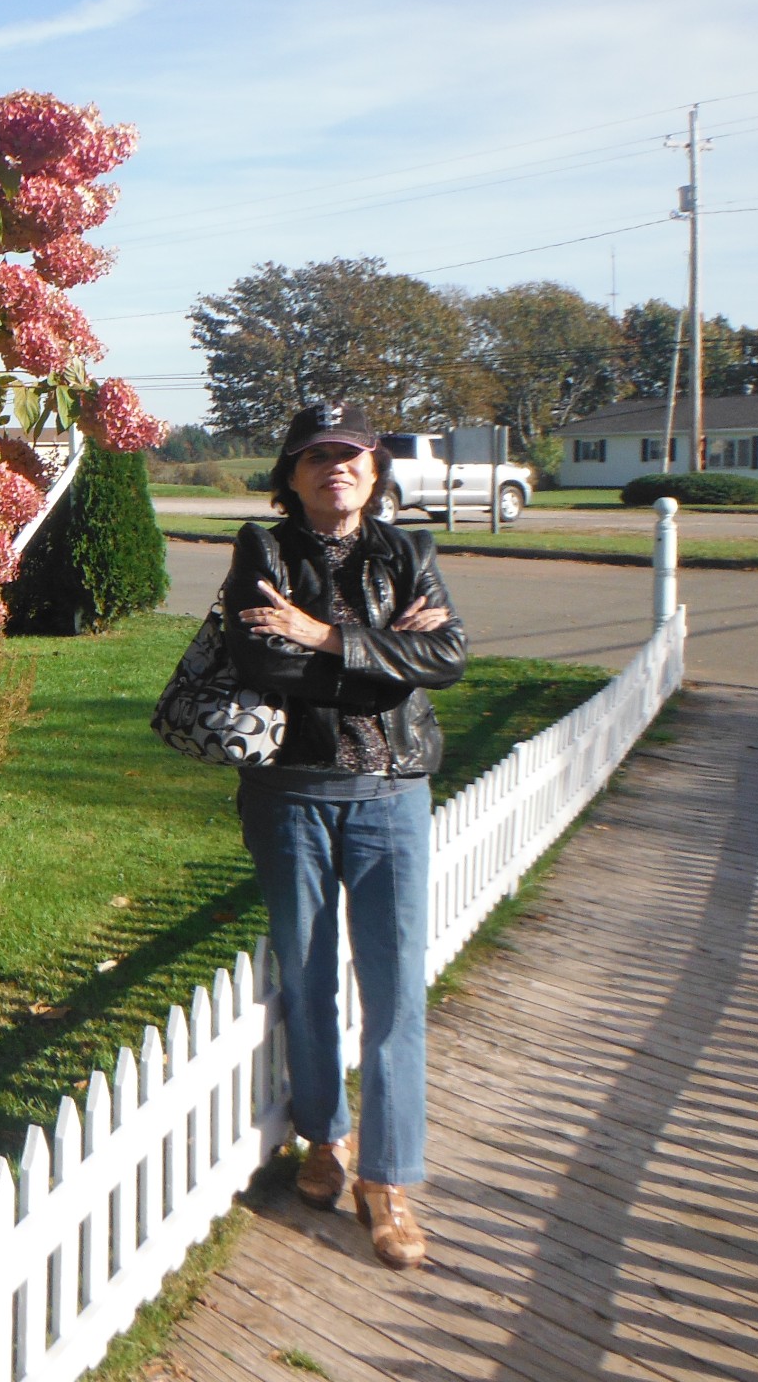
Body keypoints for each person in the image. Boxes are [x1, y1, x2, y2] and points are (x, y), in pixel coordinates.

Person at [221, 401, 467, 1270]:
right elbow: (261, 664)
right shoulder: (265, 551)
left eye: (355, 454)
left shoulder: (410, 553)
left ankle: (388, 1180)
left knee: (397, 992)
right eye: (318, 455)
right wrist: (380, 659)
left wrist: (323, 635)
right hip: (290, 791)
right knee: (310, 973)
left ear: (377, 469)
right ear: (290, 474)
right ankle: (327, 1139)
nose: (338, 468)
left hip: (391, 794)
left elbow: (448, 659)